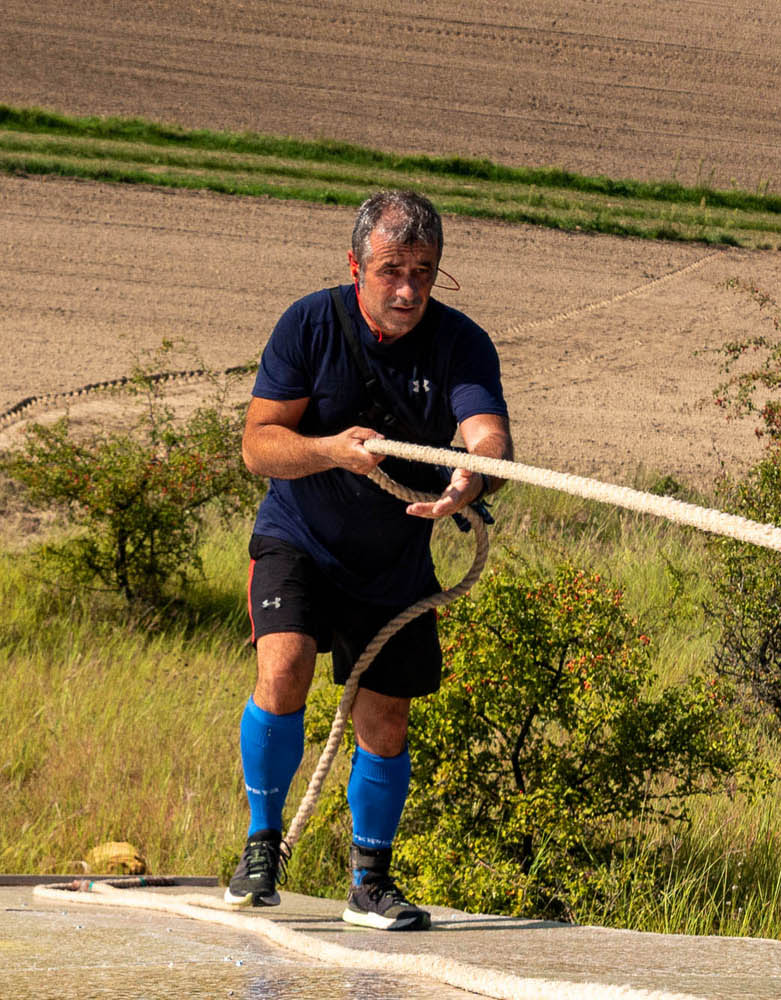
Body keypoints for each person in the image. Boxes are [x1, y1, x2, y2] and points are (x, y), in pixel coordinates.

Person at [225, 190, 512, 930]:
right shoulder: (309, 324)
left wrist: (470, 476)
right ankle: (262, 848)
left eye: (423, 270)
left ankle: (371, 883)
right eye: (391, 270)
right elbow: (259, 445)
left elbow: (487, 434)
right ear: (357, 266)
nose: (408, 289)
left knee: (385, 721)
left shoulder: (462, 342)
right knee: (283, 669)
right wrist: (328, 451)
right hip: (300, 538)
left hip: (394, 559)